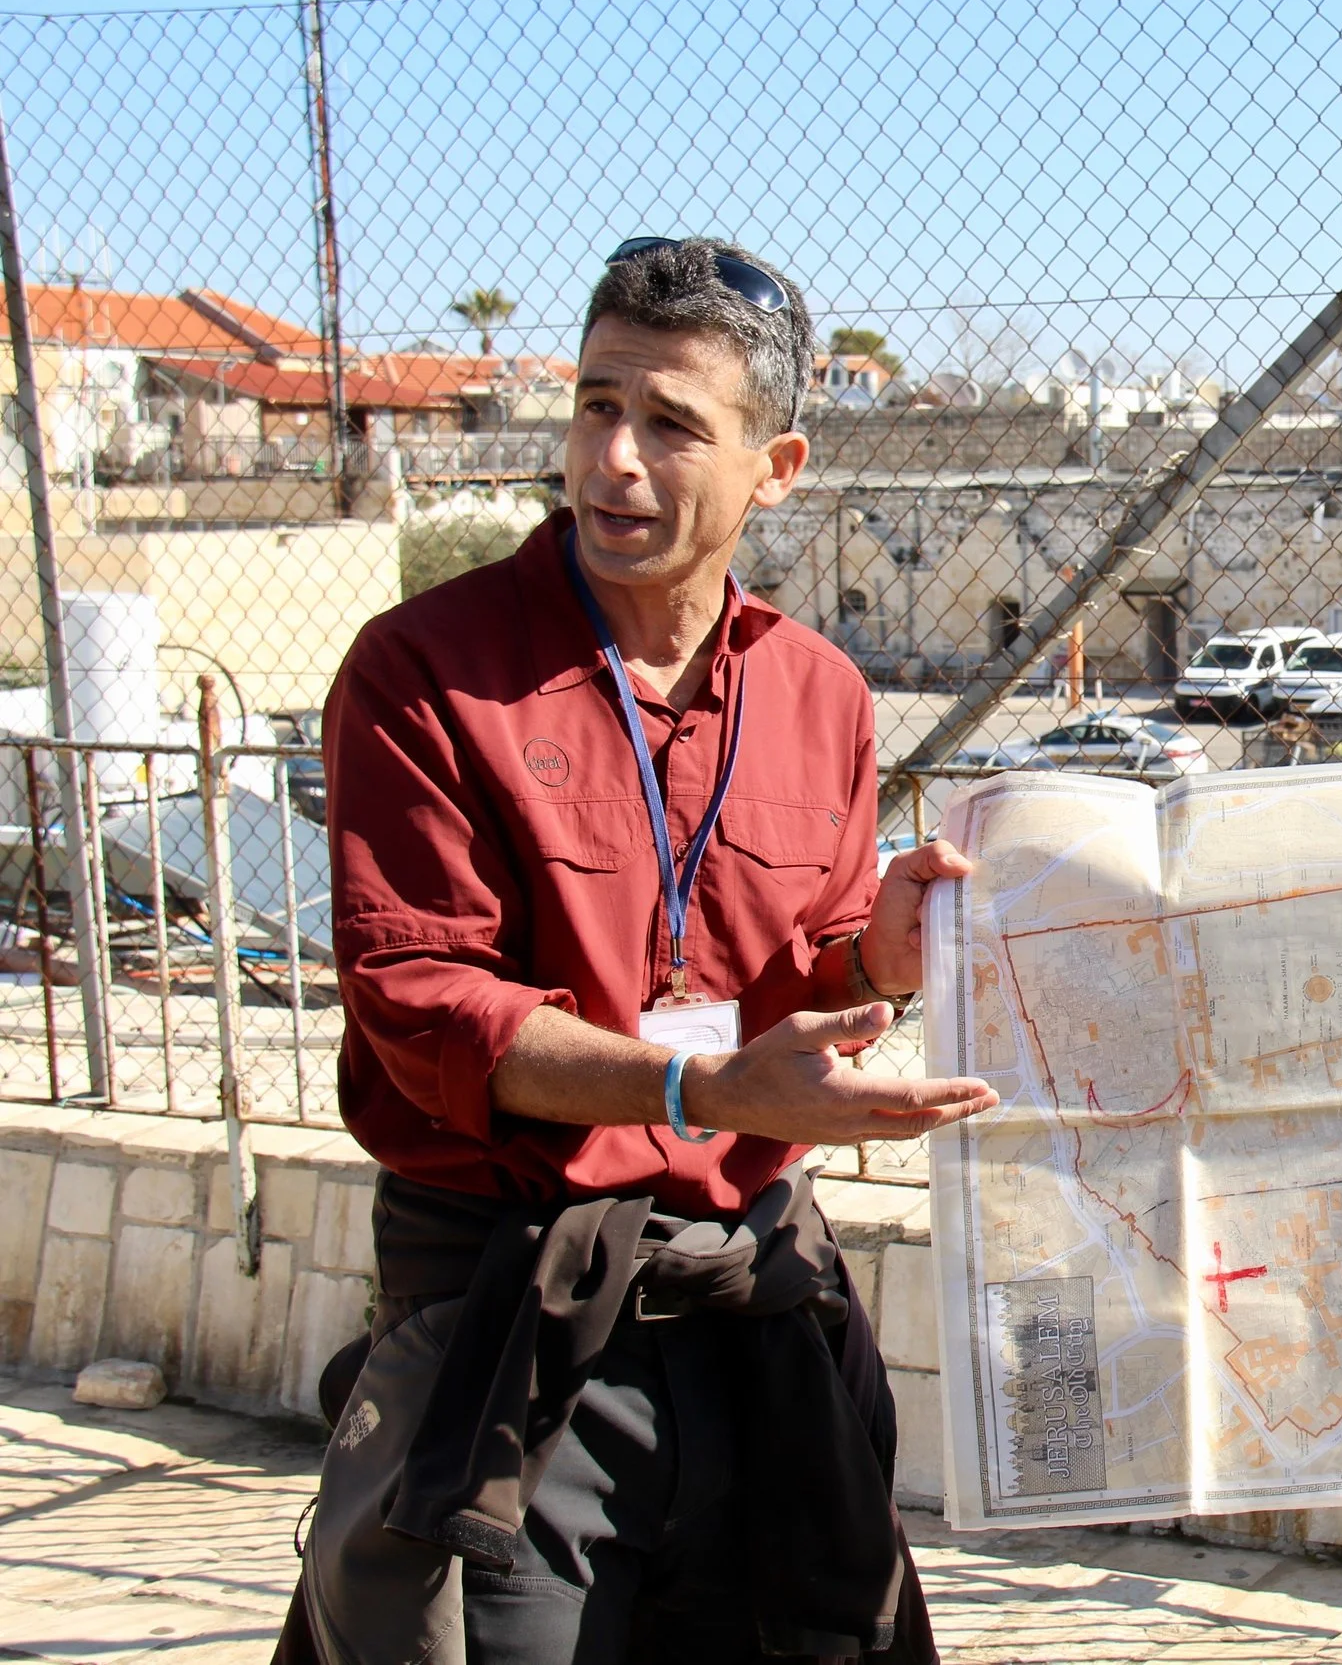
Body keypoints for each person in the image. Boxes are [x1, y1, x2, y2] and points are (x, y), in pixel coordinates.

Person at [280, 236, 997, 1664]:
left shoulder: (821, 694)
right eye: (596, 405)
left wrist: (876, 960)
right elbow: (424, 1005)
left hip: (758, 1314)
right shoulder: (425, 673)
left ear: (774, 469)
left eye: (672, 423)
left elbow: (793, 970)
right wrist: (698, 1090)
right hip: (513, 1340)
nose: (613, 460)